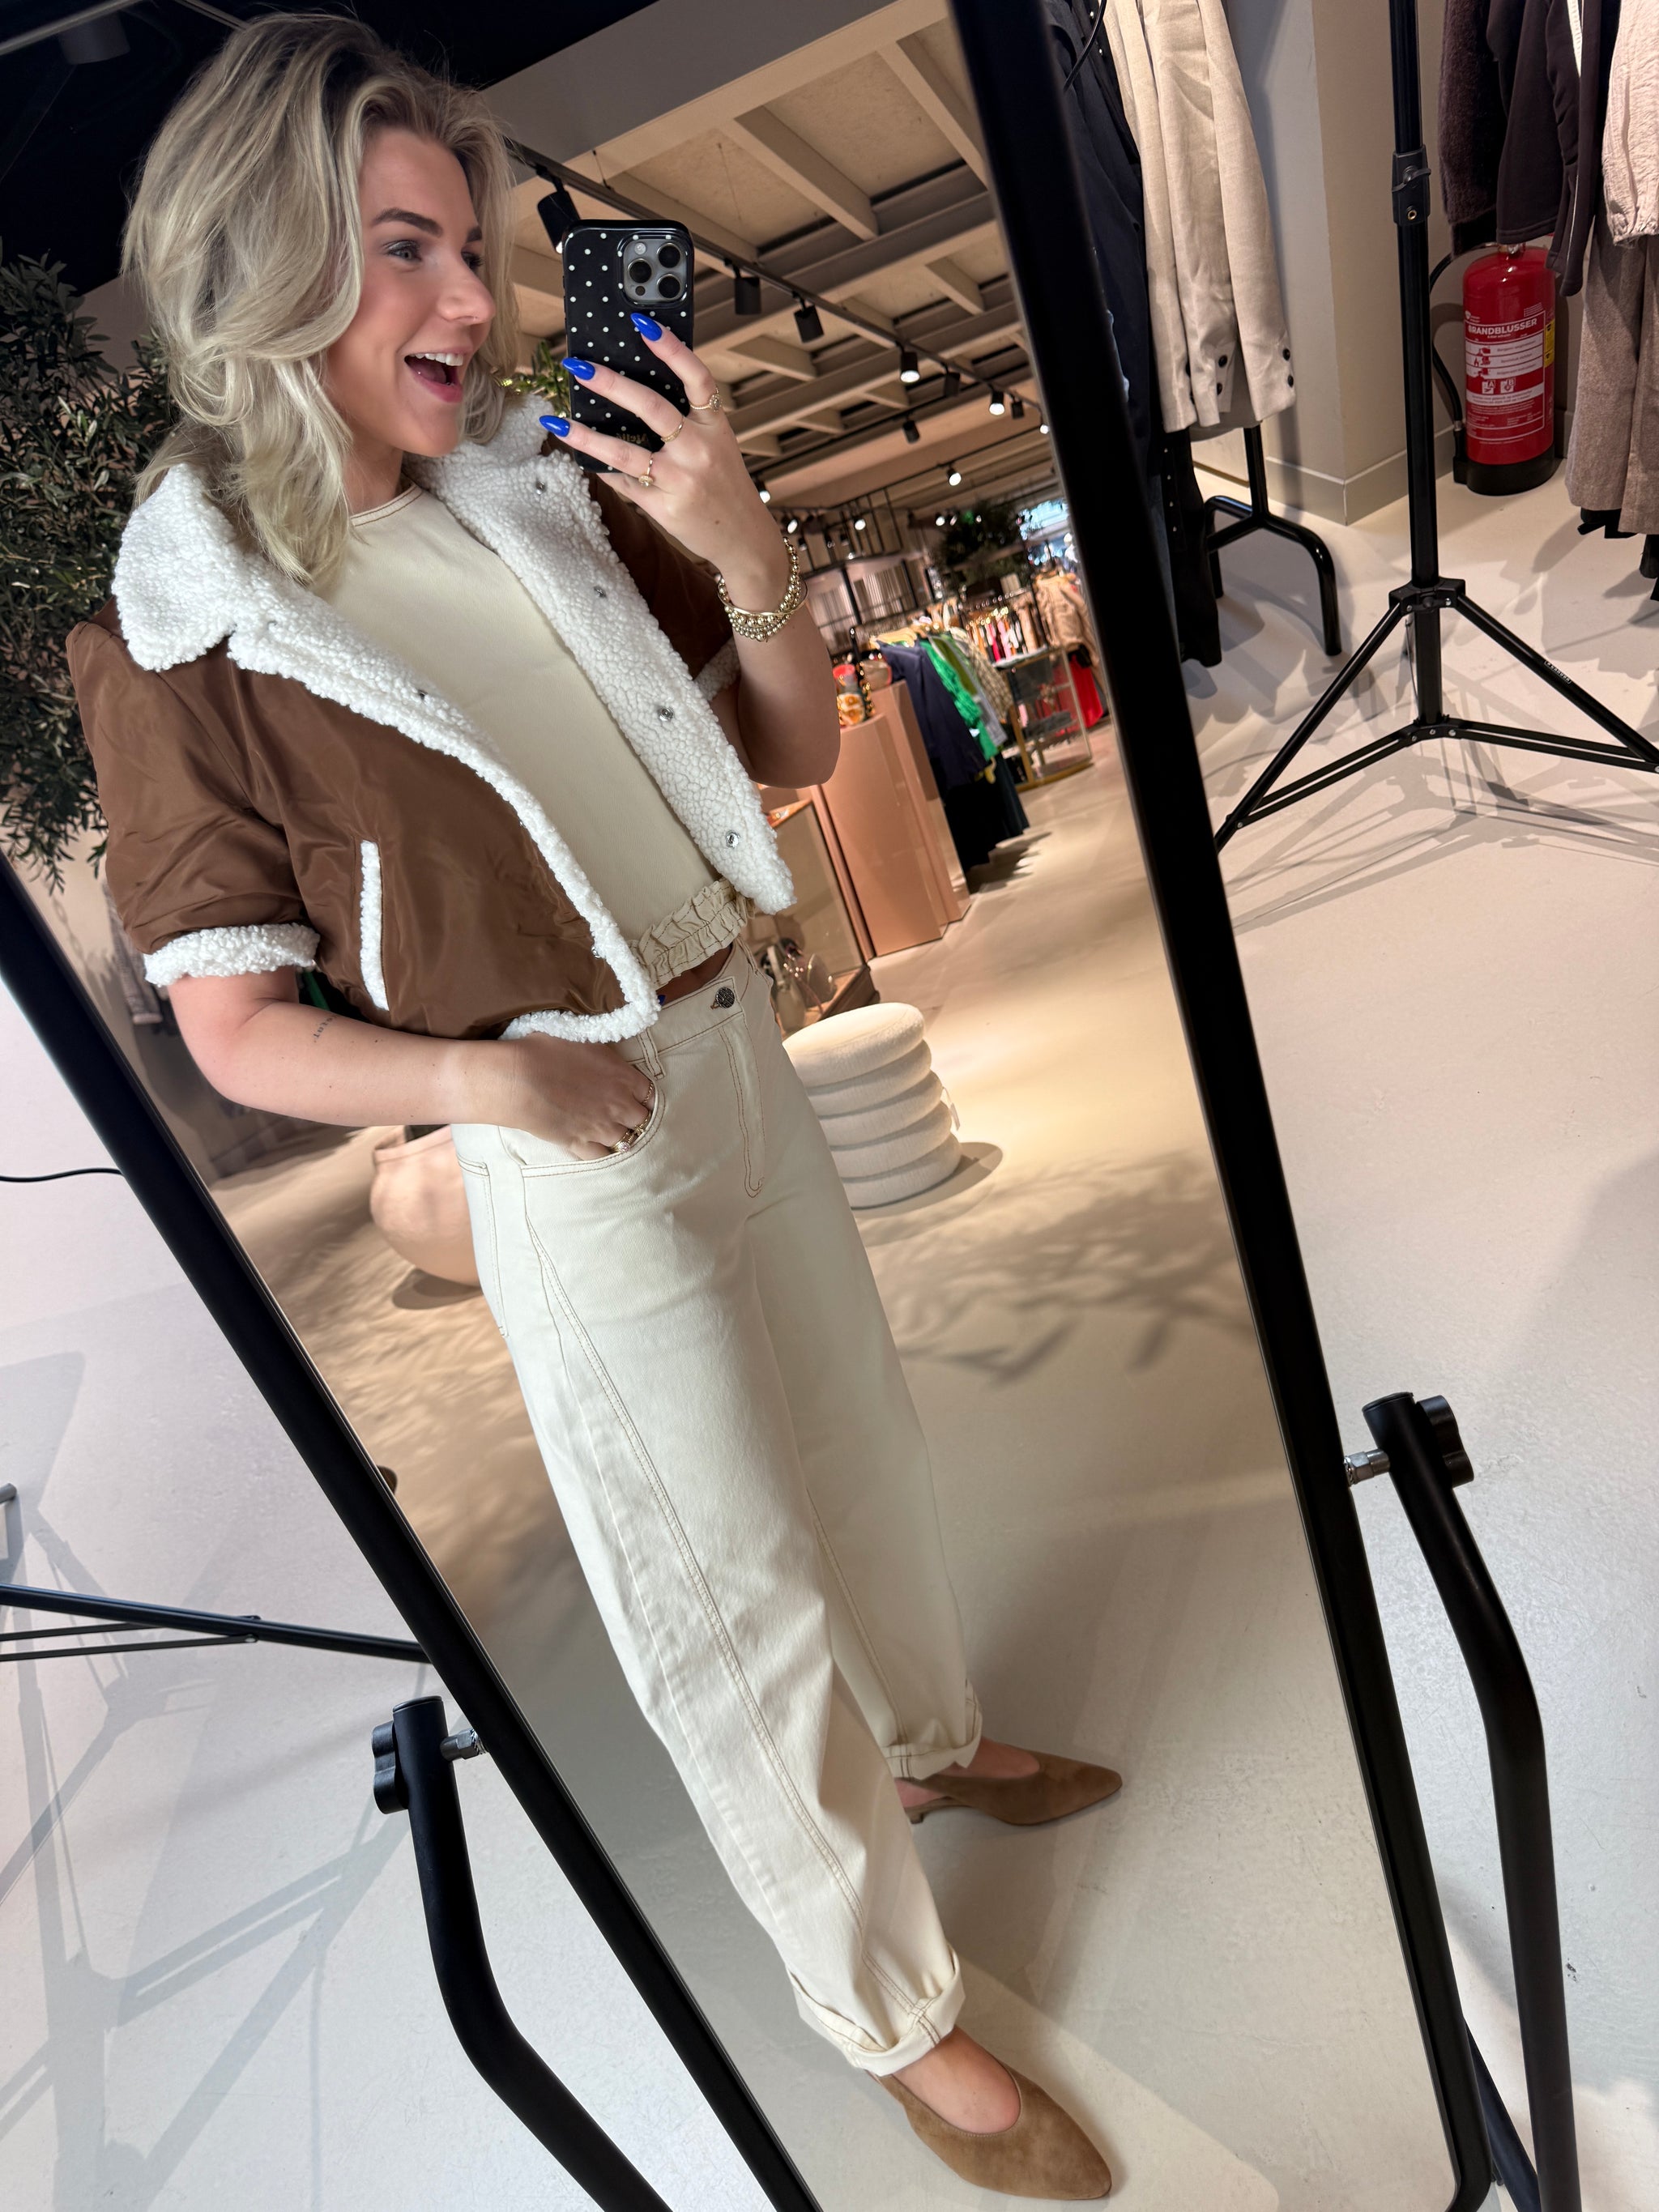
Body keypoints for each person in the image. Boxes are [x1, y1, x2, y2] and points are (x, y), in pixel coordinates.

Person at [66, 16, 1121, 2196]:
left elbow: (788, 756)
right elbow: (237, 1030)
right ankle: (890, 2016)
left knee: (859, 1451)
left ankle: (932, 1750)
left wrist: (736, 535)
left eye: (474, 246)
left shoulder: (536, 501)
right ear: (262, 259)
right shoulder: (185, 633)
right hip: (571, 1137)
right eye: (406, 248)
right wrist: (488, 1080)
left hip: (740, 1038)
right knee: (723, 1592)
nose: (473, 298)